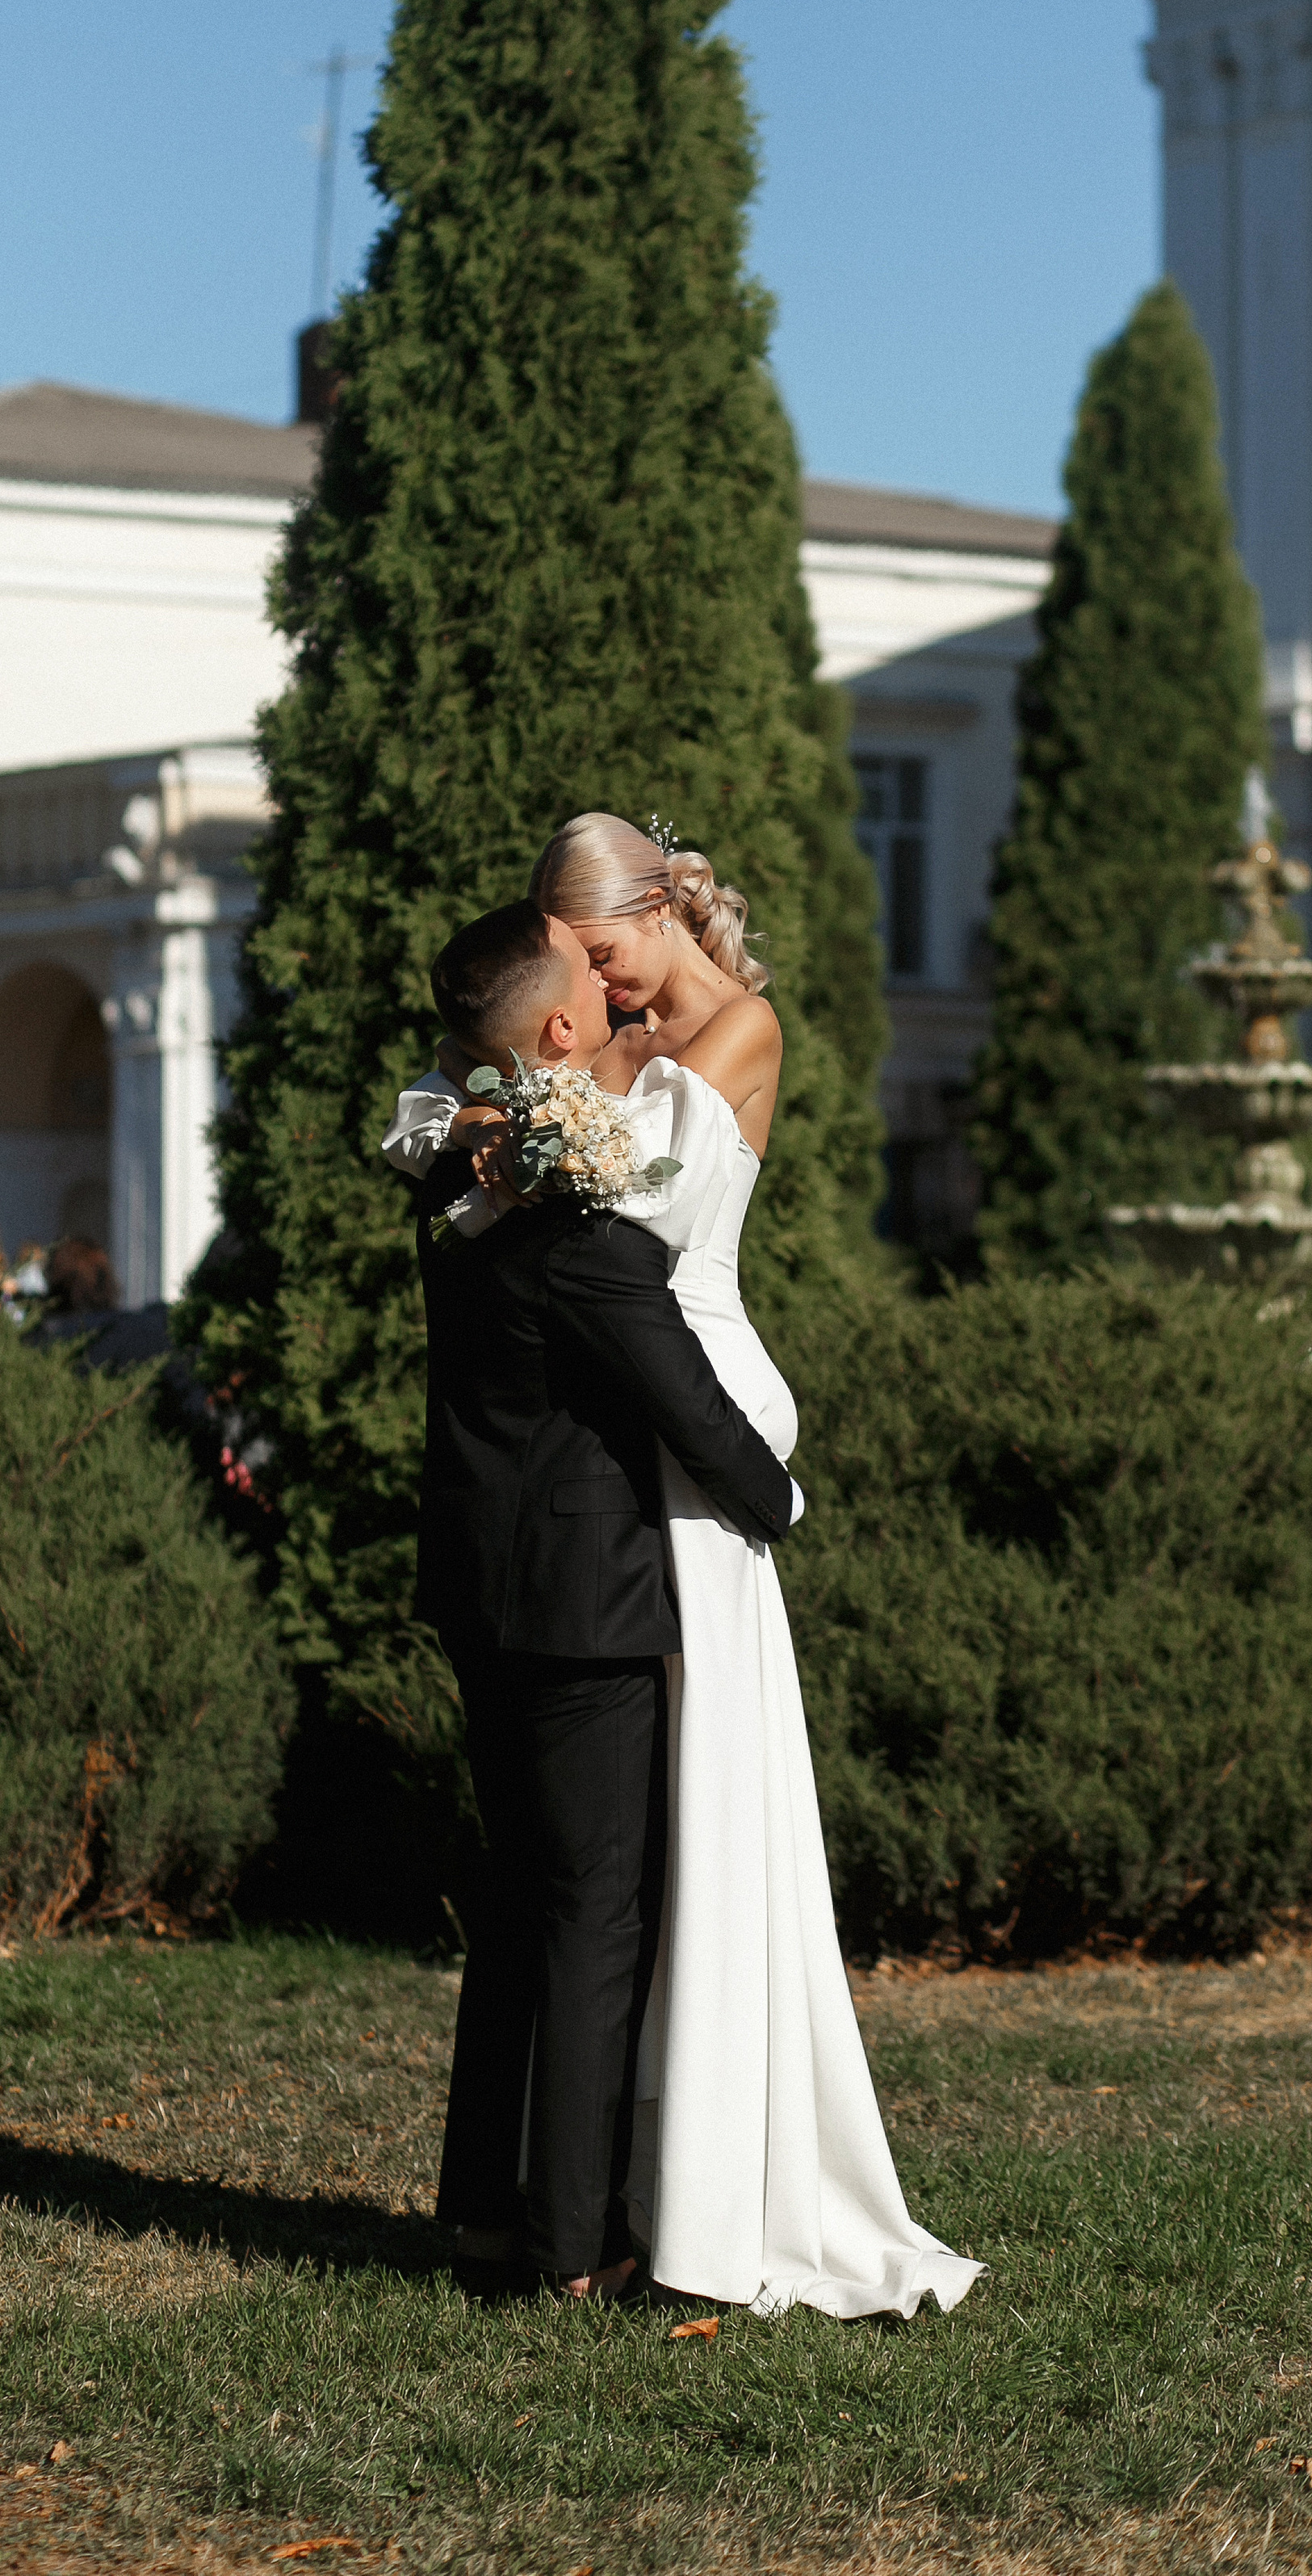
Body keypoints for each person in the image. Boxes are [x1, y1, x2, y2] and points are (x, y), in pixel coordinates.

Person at [387, 816, 980, 2322]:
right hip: (623, 1458)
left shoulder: (721, 1043)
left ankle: (657, 2187)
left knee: (645, 1848)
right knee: (594, 1877)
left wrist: (512, 1110)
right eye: (571, 973)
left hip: (680, 1429)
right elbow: (516, 1148)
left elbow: (615, 1210)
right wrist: (498, 1108)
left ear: (647, 915)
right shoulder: (566, 1089)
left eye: (590, 955)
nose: (589, 993)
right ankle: (595, 2208)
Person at [406, 898, 799, 2303]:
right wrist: (781, 1500)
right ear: (563, 1029)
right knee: (595, 1914)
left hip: (473, 1582)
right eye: (591, 975)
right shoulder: (581, 1220)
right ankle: (572, 2248)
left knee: (518, 1900)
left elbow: (432, 1125)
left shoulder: (459, 1182)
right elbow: (676, 1391)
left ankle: (485, 2217)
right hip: (586, 1601)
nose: (620, 991)